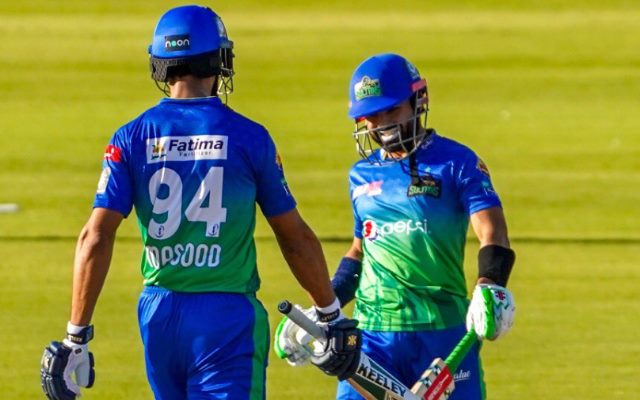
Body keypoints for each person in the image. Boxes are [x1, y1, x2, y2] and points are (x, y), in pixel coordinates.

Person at [39, 5, 361, 400]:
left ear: (162, 65)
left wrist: (75, 337)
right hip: (226, 317)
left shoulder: (130, 137)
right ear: (218, 60)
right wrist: (329, 313)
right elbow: (293, 237)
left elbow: (95, 237)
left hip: (158, 315)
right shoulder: (249, 137)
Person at [276, 53, 516, 399]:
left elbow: (493, 232)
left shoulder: (458, 162)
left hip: (443, 333)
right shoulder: (361, 176)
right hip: (372, 339)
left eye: (390, 111)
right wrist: (322, 306)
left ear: (419, 100)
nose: (380, 123)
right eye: (371, 115)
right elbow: (361, 251)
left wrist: (489, 285)